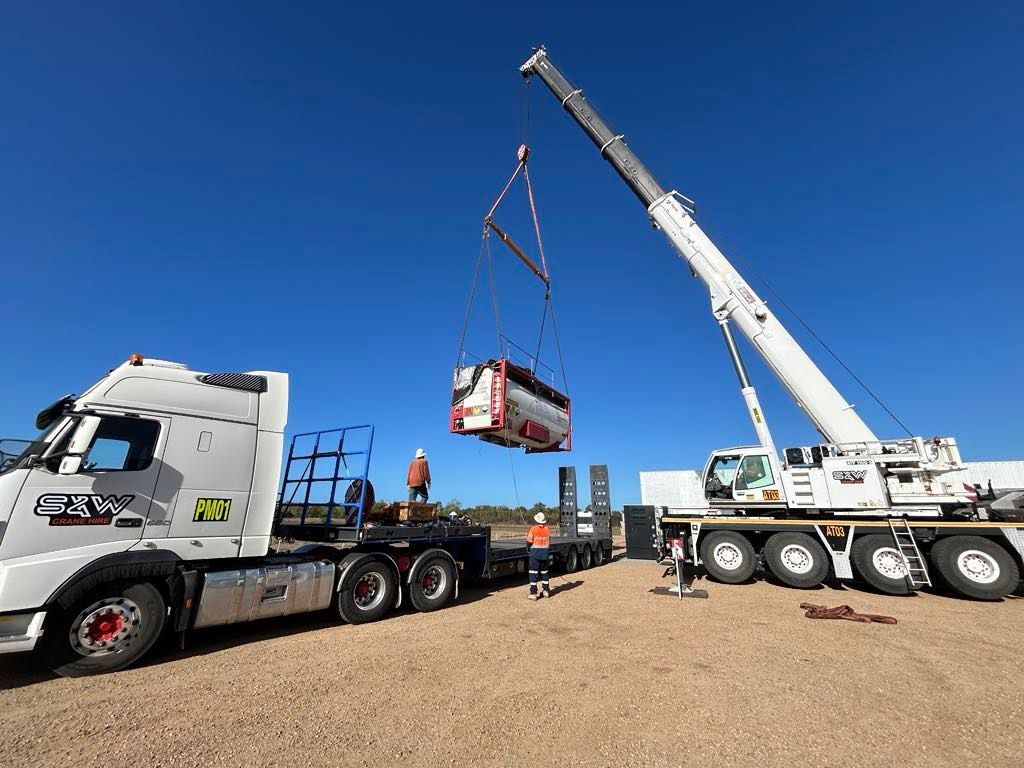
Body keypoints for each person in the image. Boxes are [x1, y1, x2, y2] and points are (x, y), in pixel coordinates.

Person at [526, 512, 551, 600]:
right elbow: (549, 542)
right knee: (544, 573)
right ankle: (546, 591)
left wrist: (528, 549)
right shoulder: (547, 529)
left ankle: (533, 593)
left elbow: (529, 541)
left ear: (537, 520)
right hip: (545, 554)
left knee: (533, 573)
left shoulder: (533, 529)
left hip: (535, 554)